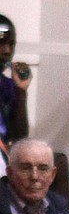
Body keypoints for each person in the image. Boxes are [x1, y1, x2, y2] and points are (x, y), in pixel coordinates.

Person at [0, 13, 32, 147]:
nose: (7, 50)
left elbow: (20, 138)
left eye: (11, 44)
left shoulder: (8, 86)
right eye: (1, 43)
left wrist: (21, 91)